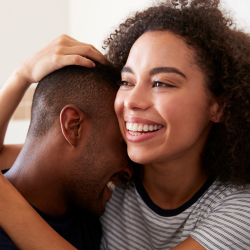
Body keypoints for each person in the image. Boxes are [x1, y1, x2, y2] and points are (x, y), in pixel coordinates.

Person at [1, 0, 250, 249]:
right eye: (127, 82)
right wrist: (21, 76)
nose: (132, 101)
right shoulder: (111, 173)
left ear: (220, 106)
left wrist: (6, 202)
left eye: (162, 83)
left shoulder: (238, 209)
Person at [0, 55, 132, 249]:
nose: (130, 170)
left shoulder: (92, 210)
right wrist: (21, 75)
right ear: (73, 126)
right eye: (123, 143)